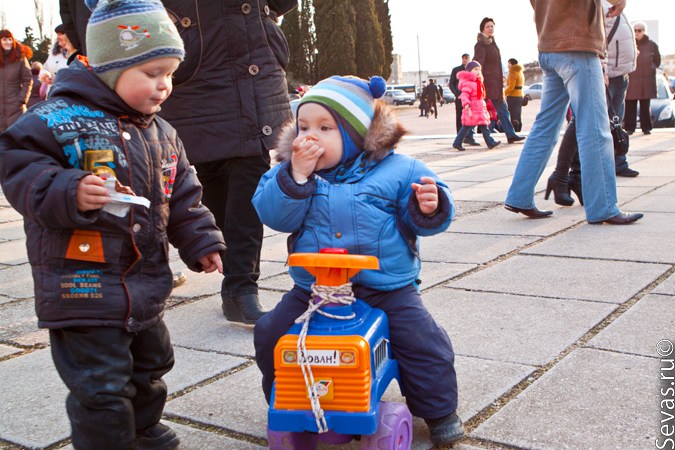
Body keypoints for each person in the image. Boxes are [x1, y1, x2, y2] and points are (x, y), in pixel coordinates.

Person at [0, 1, 227, 449]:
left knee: (151, 365)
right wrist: (68, 189)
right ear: (109, 66)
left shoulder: (162, 133)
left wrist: (200, 239)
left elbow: (181, 193)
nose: (164, 85)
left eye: (170, 74)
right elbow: (17, 167)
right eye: (151, 73)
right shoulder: (54, 119)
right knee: (101, 386)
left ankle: (141, 430)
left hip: (144, 284)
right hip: (81, 286)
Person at [251, 75, 465, 447]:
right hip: (316, 291)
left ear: (356, 134)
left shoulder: (402, 170)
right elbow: (273, 214)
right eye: (303, 127)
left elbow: (424, 217)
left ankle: (439, 409)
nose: (309, 137)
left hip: (386, 288)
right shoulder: (292, 173)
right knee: (271, 332)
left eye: (324, 127)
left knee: (422, 341)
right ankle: (289, 400)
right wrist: (296, 176)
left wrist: (429, 206)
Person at [156, 0, 297, 323]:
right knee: (208, 178)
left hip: (254, 64)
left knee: (249, 179)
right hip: (197, 64)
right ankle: (218, 260)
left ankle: (240, 287)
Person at [505, 0, 643, 225]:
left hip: (549, 45)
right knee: (595, 129)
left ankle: (519, 196)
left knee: (545, 127)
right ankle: (603, 207)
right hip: (577, 46)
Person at [473, 17, 525, 144]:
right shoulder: (481, 45)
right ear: (482, 29)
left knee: (503, 110)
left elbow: (496, 65)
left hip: (495, 84)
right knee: (477, 110)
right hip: (486, 84)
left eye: (492, 26)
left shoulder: (493, 43)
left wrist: (500, 79)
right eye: (487, 26)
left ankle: (510, 134)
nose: (491, 28)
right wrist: (477, 80)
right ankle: (468, 134)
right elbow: (477, 63)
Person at [453, 61, 500, 151]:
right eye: (475, 69)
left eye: (479, 69)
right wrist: (466, 104)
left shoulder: (478, 82)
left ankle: (490, 142)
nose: (478, 71)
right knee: (466, 127)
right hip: (472, 107)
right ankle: (457, 142)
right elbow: (465, 94)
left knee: (483, 125)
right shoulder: (468, 83)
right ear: (469, 71)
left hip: (479, 106)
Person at [624, 21, 660, 136]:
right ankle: (629, 128)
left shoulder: (652, 45)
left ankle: (647, 128)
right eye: (635, 30)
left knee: (645, 105)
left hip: (646, 81)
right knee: (630, 106)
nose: (637, 33)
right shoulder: (629, 44)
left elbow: (657, 61)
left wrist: (651, 69)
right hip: (631, 80)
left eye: (639, 30)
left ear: (644, 31)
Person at [0, 29, 33, 132]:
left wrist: (22, 100)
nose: (8, 42)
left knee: (16, 137)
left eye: (10, 39)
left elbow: (28, 79)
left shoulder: (20, 58)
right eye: (4, 39)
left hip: (15, 107)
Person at [450, 53, 478, 146]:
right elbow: (451, 84)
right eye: (463, 58)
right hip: (460, 97)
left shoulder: (472, 70)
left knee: (471, 117)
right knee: (460, 118)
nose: (465, 60)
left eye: (466, 58)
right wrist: (458, 94)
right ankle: (460, 138)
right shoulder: (456, 70)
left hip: (471, 98)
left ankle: (470, 137)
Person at [39, 24, 73, 98]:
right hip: (52, 94)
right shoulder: (53, 53)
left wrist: (57, 80)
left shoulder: (75, 54)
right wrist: (45, 75)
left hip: (67, 95)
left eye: (61, 34)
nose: (58, 37)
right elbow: (45, 67)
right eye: (57, 35)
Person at [504, 58, 524, 132]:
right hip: (520, 95)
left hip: (513, 96)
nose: (508, 65)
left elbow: (511, 87)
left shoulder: (512, 73)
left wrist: (504, 93)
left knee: (513, 114)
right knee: (518, 114)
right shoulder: (520, 72)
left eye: (508, 63)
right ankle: (518, 130)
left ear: (511, 64)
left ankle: (514, 131)